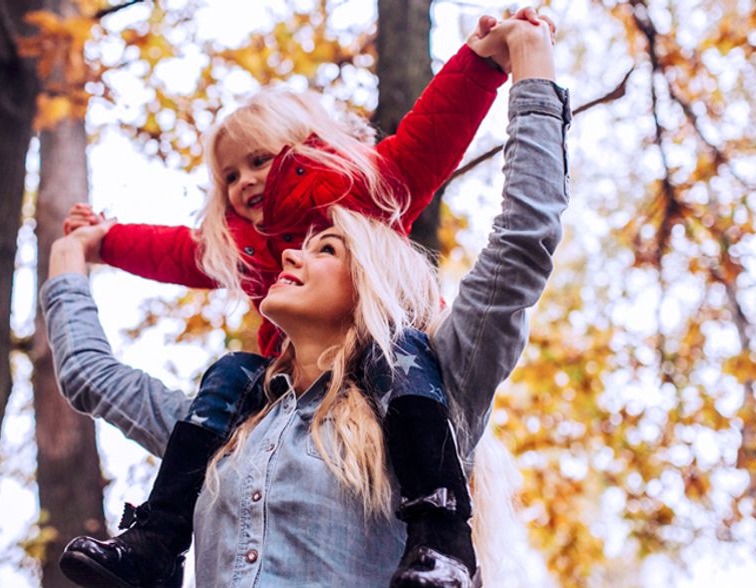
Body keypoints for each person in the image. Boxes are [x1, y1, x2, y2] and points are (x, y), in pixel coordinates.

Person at [43, 10, 569, 586]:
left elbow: (500, 212)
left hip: (397, 365)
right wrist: (81, 254)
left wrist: (508, 60)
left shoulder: (371, 202)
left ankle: (440, 534)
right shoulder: (226, 428)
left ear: (370, 269)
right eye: (228, 177)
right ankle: (155, 537)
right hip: (270, 387)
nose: (290, 257)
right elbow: (96, 362)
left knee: (402, 353)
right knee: (229, 371)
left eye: (327, 250)